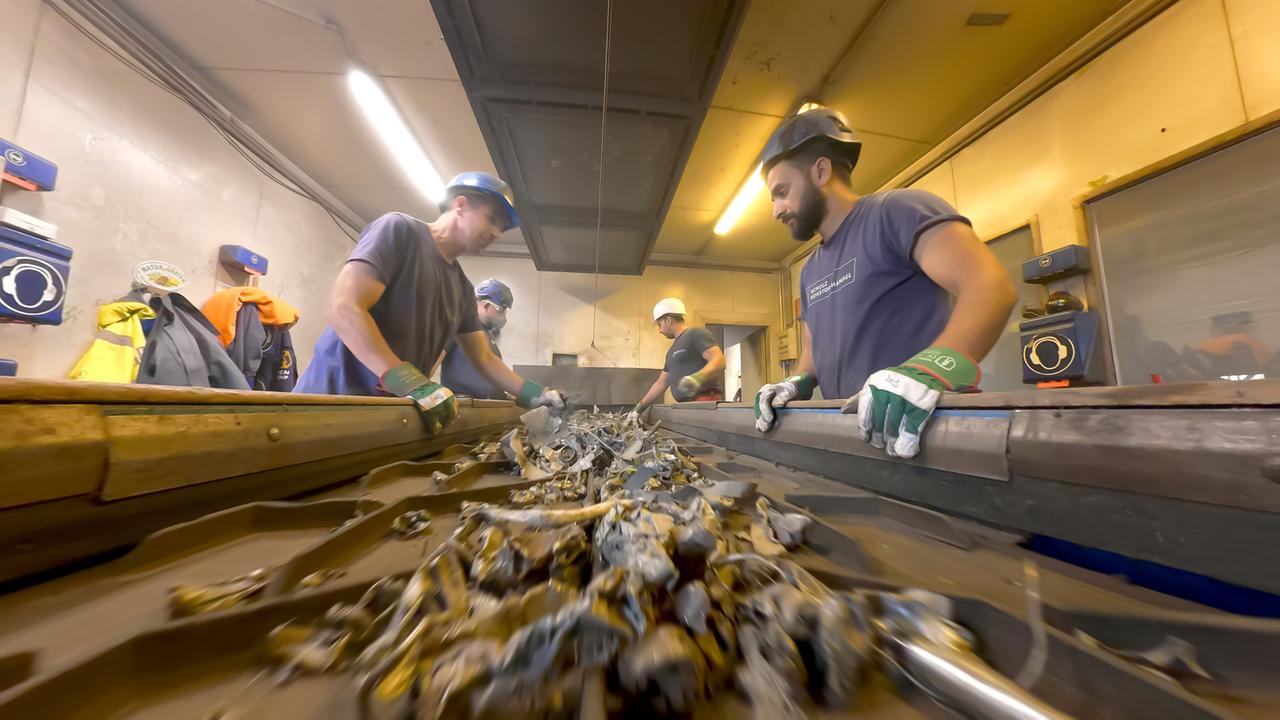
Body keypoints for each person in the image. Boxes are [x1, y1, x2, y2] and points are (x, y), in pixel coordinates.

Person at [752, 108, 1016, 458]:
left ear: (820, 171)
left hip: (926, 440)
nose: (776, 210)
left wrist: (929, 371)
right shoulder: (810, 270)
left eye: (782, 191)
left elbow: (990, 288)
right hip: (860, 446)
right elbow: (814, 355)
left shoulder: (896, 212)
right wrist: (795, 382)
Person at [294, 172, 566, 431]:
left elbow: (483, 358)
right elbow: (344, 308)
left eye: (501, 227)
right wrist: (410, 382)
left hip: (385, 418)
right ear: (461, 205)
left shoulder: (461, 289)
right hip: (329, 405)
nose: (496, 232)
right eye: (492, 218)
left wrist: (537, 394)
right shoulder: (399, 231)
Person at [630, 298, 725, 419]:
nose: (659, 330)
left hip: (704, 403)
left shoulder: (695, 334)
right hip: (686, 406)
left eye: (659, 324)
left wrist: (697, 378)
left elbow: (719, 360)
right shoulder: (671, 351)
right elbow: (661, 383)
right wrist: (638, 409)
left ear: (668, 319)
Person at [440, 278, 513, 400]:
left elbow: (494, 372)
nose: (503, 316)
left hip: (487, 406)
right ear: (487, 305)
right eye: (502, 310)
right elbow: (432, 362)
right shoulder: (457, 327)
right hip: (464, 407)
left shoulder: (486, 336)